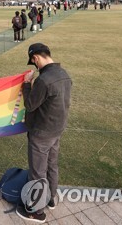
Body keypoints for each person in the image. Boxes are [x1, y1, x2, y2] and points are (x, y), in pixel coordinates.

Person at [17, 43, 72, 223]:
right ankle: (51, 198)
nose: (35, 66)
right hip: (57, 129)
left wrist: (26, 84)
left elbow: (30, 104)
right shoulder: (64, 74)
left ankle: (36, 211)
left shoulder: (44, 80)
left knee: (37, 171)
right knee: (52, 165)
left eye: (34, 62)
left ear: (36, 58)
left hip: (41, 132)